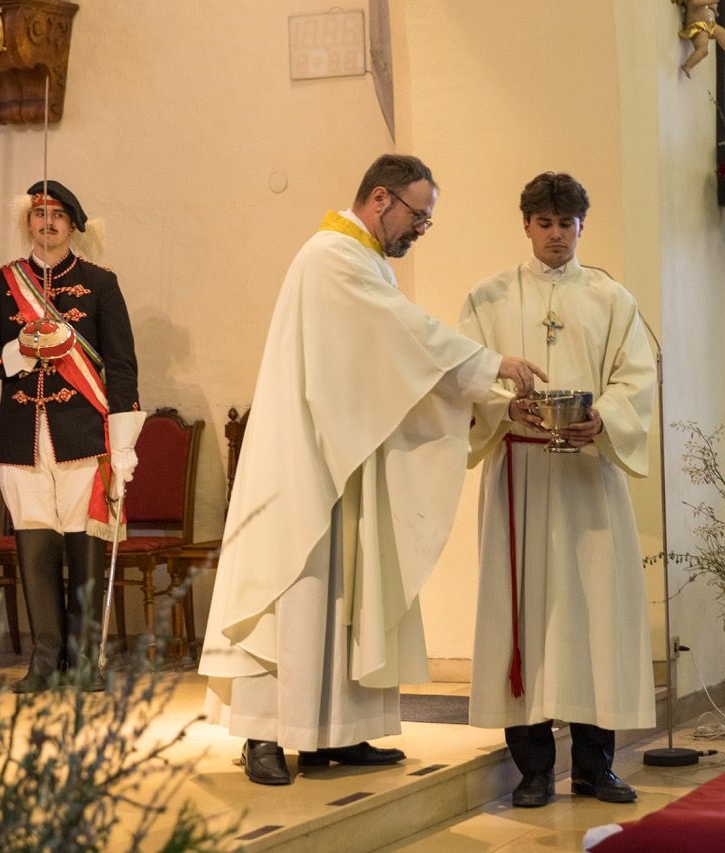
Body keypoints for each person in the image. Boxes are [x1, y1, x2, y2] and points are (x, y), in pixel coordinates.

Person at [199, 154, 546, 787]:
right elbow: (404, 334)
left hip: (345, 453)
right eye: (419, 215)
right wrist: (489, 366)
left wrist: (484, 399)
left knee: (346, 590)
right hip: (305, 457)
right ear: (381, 198)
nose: (420, 228)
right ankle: (264, 733)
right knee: (296, 586)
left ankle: (335, 732)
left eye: (428, 221)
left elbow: (386, 361)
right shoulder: (332, 255)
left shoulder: (362, 262)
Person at [460, 172, 656, 807]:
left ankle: (597, 765)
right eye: (544, 223)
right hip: (519, 475)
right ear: (526, 225)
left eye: (566, 224)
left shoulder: (610, 298)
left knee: (597, 615)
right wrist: (503, 409)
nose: (555, 235)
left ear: (581, 226)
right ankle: (535, 769)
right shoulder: (488, 298)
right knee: (524, 617)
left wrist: (604, 419)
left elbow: (635, 379)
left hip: (587, 477)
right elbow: (463, 376)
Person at [0, 181, 143, 694]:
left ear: (73, 225)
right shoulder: (2, 284)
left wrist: (124, 440)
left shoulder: (100, 283)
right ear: (27, 222)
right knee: (36, 543)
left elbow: (123, 366)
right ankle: (45, 659)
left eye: (58, 215)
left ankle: (86, 657)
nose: (47, 223)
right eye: (39, 214)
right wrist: (19, 351)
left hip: (84, 437)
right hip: (24, 441)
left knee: (84, 545)